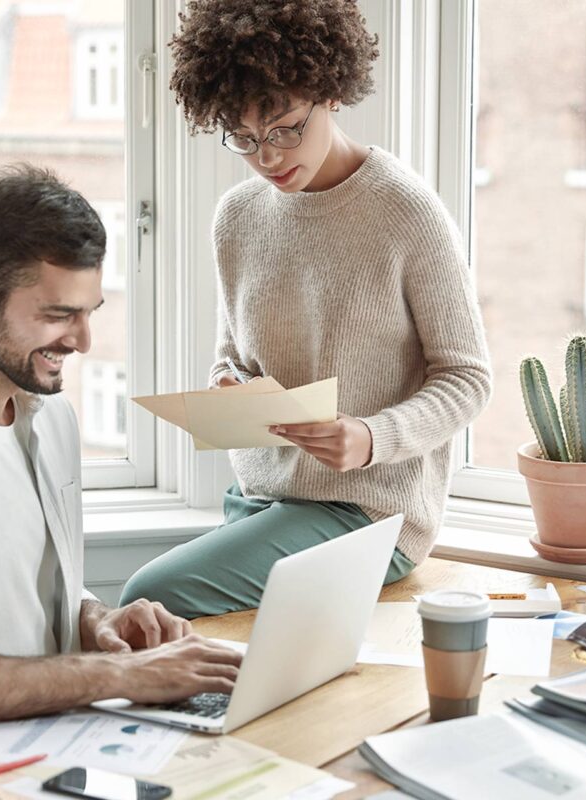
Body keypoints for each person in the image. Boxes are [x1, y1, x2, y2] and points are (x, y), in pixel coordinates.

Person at [120, 0, 492, 619]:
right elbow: (235, 354)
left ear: (330, 93)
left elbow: (468, 378)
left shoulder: (405, 212)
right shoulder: (238, 217)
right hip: (259, 498)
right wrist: (229, 385)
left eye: (286, 128)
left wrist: (371, 438)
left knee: (146, 598)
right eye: (243, 138)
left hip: (366, 513)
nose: (267, 156)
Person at [0, 164, 241, 728]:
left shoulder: (53, 418)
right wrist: (122, 677)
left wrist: (96, 620)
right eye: (60, 315)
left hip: (50, 740)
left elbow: (20, 586)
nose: (83, 341)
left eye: (88, 314)